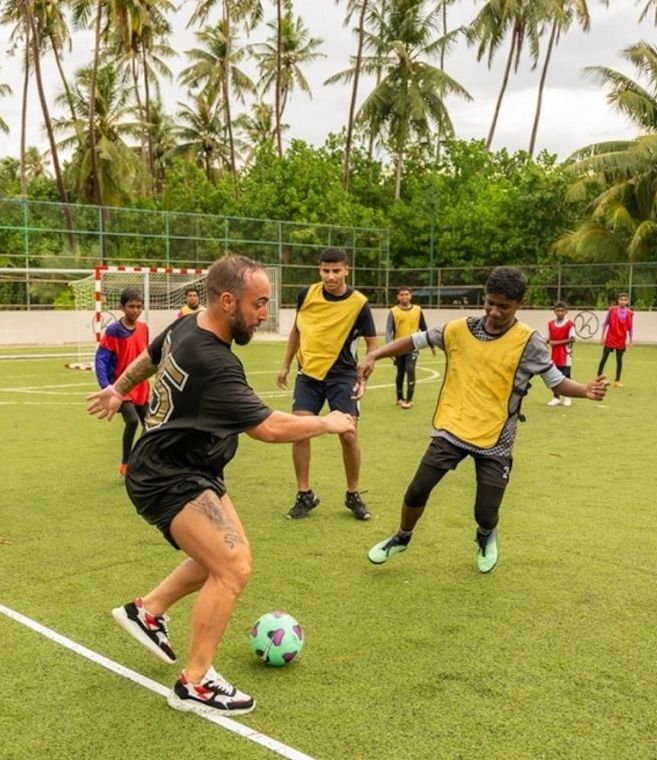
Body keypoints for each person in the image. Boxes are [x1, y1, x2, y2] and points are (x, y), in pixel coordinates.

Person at [86, 255, 355, 718]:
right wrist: (327, 422)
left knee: (228, 556)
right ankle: (195, 683)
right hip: (169, 477)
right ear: (228, 300)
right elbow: (268, 428)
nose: (262, 315)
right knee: (232, 567)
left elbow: (149, 361)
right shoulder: (214, 362)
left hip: (191, 467)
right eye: (259, 304)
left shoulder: (185, 327)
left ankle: (148, 612)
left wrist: (119, 389)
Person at [354, 266, 608, 574]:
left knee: (485, 512)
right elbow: (415, 340)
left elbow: (556, 382)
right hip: (452, 427)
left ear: (520, 305)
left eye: (504, 306)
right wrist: (373, 355)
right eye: (490, 302)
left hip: (495, 438)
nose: (495, 311)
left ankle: (486, 535)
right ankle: (402, 537)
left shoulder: (530, 342)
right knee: (417, 490)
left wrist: (584, 390)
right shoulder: (460, 328)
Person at [276, 247, 378, 520]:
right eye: (325, 270)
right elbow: (297, 330)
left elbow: (371, 343)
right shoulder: (306, 295)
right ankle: (304, 495)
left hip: (342, 375)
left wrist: (366, 369)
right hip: (308, 374)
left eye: (336, 271)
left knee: (348, 434)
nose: (330, 276)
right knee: (300, 430)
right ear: (319, 270)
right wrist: (286, 363)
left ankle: (353, 494)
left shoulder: (359, 304)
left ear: (347, 270)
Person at [95, 288, 149, 477]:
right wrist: (106, 386)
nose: (135, 310)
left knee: (151, 425)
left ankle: (141, 460)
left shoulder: (144, 328)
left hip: (141, 385)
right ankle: (126, 463)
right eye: (131, 306)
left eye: (139, 306)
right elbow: (101, 359)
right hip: (121, 387)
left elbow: (146, 356)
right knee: (133, 421)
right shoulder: (114, 331)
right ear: (122, 307)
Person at [385, 286, 435, 408]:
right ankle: (399, 398)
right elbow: (388, 332)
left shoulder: (418, 310)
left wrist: (431, 345)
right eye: (402, 295)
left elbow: (424, 328)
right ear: (398, 297)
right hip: (398, 346)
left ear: (411, 296)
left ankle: (409, 399)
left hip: (413, 345)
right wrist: (390, 349)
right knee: (400, 372)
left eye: (407, 294)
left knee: (410, 369)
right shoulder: (393, 312)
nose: (404, 297)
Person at [597, 293, 633, 387]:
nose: (623, 301)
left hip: (621, 340)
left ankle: (617, 380)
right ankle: (598, 378)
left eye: (625, 300)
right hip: (610, 338)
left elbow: (630, 328)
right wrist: (602, 337)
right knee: (604, 358)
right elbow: (605, 323)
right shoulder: (612, 310)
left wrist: (630, 340)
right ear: (618, 300)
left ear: (627, 301)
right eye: (621, 299)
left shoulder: (629, 313)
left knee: (619, 360)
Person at [546, 301, 577, 407]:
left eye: (562, 311)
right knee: (554, 375)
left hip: (565, 353)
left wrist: (556, 343)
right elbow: (550, 339)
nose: (560, 313)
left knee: (566, 375)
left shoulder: (569, 324)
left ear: (566, 312)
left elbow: (572, 339)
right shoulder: (550, 324)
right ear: (554, 312)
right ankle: (556, 397)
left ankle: (568, 396)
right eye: (558, 310)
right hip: (554, 354)